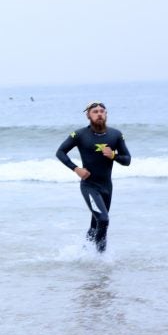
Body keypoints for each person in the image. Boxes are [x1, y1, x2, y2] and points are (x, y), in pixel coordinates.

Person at [56, 101, 131, 252]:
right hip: (89, 186)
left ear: (106, 114)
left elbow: (127, 160)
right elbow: (60, 152)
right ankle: (99, 257)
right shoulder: (79, 135)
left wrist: (114, 155)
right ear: (88, 116)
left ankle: (84, 253)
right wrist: (76, 168)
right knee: (103, 219)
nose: (99, 114)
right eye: (95, 112)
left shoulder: (116, 135)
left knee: (96, 224)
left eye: (102, 111)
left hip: (107, 187)